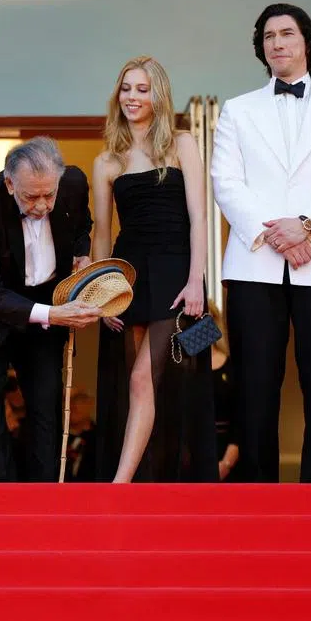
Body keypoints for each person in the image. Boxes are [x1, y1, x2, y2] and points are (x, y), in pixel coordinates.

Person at [211, 3, 311, 483]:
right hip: (255, 261)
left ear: (308, 42)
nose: (277, 42)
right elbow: (226, 181)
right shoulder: (237, 110)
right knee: (255, 380)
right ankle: (257, 489)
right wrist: (276, 233)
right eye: (268, 36)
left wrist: (305, 226)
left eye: (287, 33)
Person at [91, 56, 218, 483]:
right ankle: (145, 481)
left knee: (146, 377)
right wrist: (99, 293)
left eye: (142, 89)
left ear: (159, 95)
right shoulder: (107, 161)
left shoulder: (182, 144)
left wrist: (197, 279)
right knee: (138, 382)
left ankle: (119, 486)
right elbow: (104, 237)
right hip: (130, 277)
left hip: (176, 275)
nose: (132, 96)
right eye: (126, 88)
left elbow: (199, 218)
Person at [0, 136, 100, 482]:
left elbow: (82, 226)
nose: (42, 205)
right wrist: (52, 314)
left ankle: (46, 498)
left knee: (46, 406)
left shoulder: (74, 184)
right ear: (9, 184)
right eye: (30, 196)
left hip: (46, 312)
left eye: (48, 194)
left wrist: (81, 253)